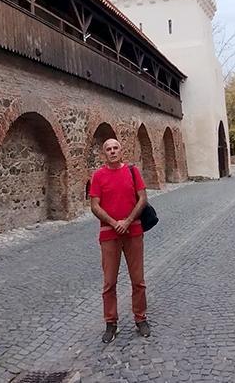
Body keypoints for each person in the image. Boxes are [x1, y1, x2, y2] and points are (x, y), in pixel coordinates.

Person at [89, 138, 151, 343]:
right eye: (108, 149)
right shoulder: (98, 176)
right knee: (109, 282)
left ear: (121, 151)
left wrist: (128, 220)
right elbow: (95, 205)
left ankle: (140, 318)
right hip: (109, 234)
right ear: (103, 153)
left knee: (138, 280)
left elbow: (142, 198)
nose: (112, 151)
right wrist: (114, 222)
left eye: (115, 148)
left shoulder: (132, 171)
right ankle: (111, 323)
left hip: (133, 232)